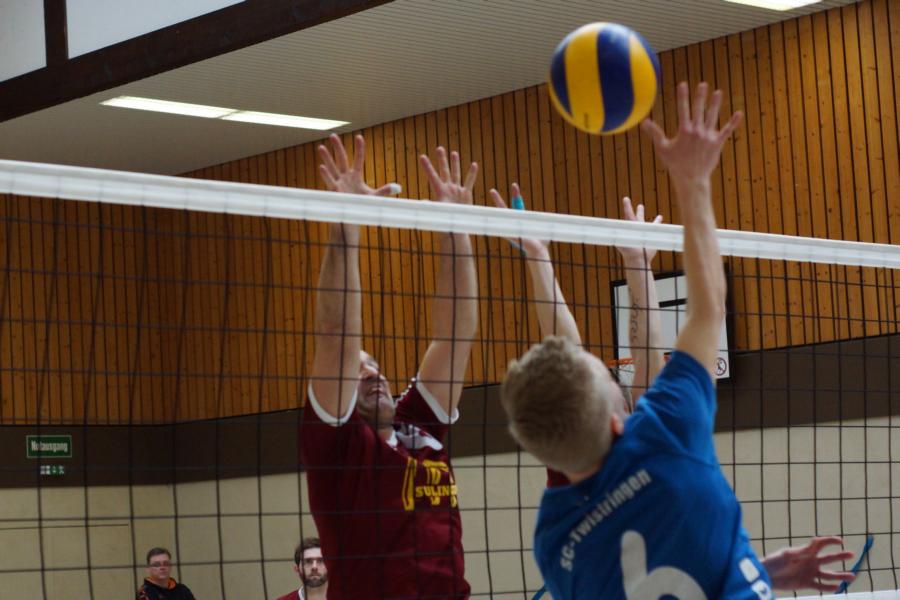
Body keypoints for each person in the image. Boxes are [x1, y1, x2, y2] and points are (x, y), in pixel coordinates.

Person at [498, 82, 856, 599]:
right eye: (606, 371)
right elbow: (704, 312)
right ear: (619, 420)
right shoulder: (664, 436)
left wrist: (756, 570)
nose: (611, 368)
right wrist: (693, 180)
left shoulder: (554, 543)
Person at [301, 133, 478, 599]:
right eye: (357, 370)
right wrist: (347, 223)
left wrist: (455, 228)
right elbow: (336, 335)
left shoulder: (419, 423)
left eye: (375, 365)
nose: (372, 373)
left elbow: (455, 335)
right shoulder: (336, 447)